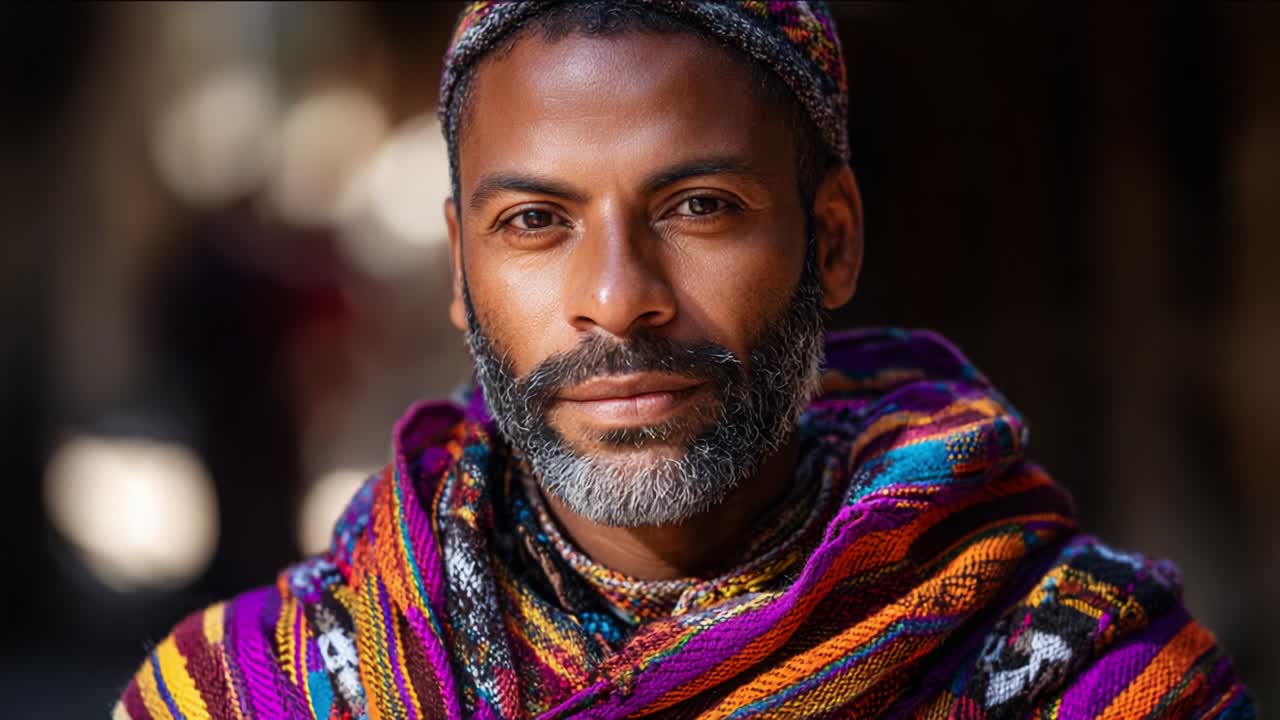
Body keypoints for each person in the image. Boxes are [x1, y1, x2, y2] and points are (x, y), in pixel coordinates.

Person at [116, 2, 1253, 718]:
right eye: (534, 223)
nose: (618, 299)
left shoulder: (1090, 681)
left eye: (698, 206)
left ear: (833, 238)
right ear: (461, 268)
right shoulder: (246, 689)